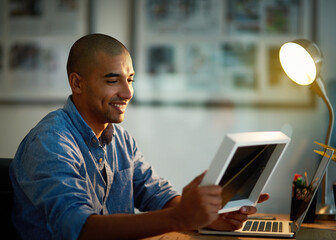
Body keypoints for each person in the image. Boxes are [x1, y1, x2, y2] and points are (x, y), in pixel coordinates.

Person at [9, 34, 269, 240]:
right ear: (77, 84)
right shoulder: (50, 142)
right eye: (113, 81)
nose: (127, 92)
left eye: (130, 79)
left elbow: (157, 195)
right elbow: (80, 230)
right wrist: (181, 217)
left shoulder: (120, 139)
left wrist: (205, 217)